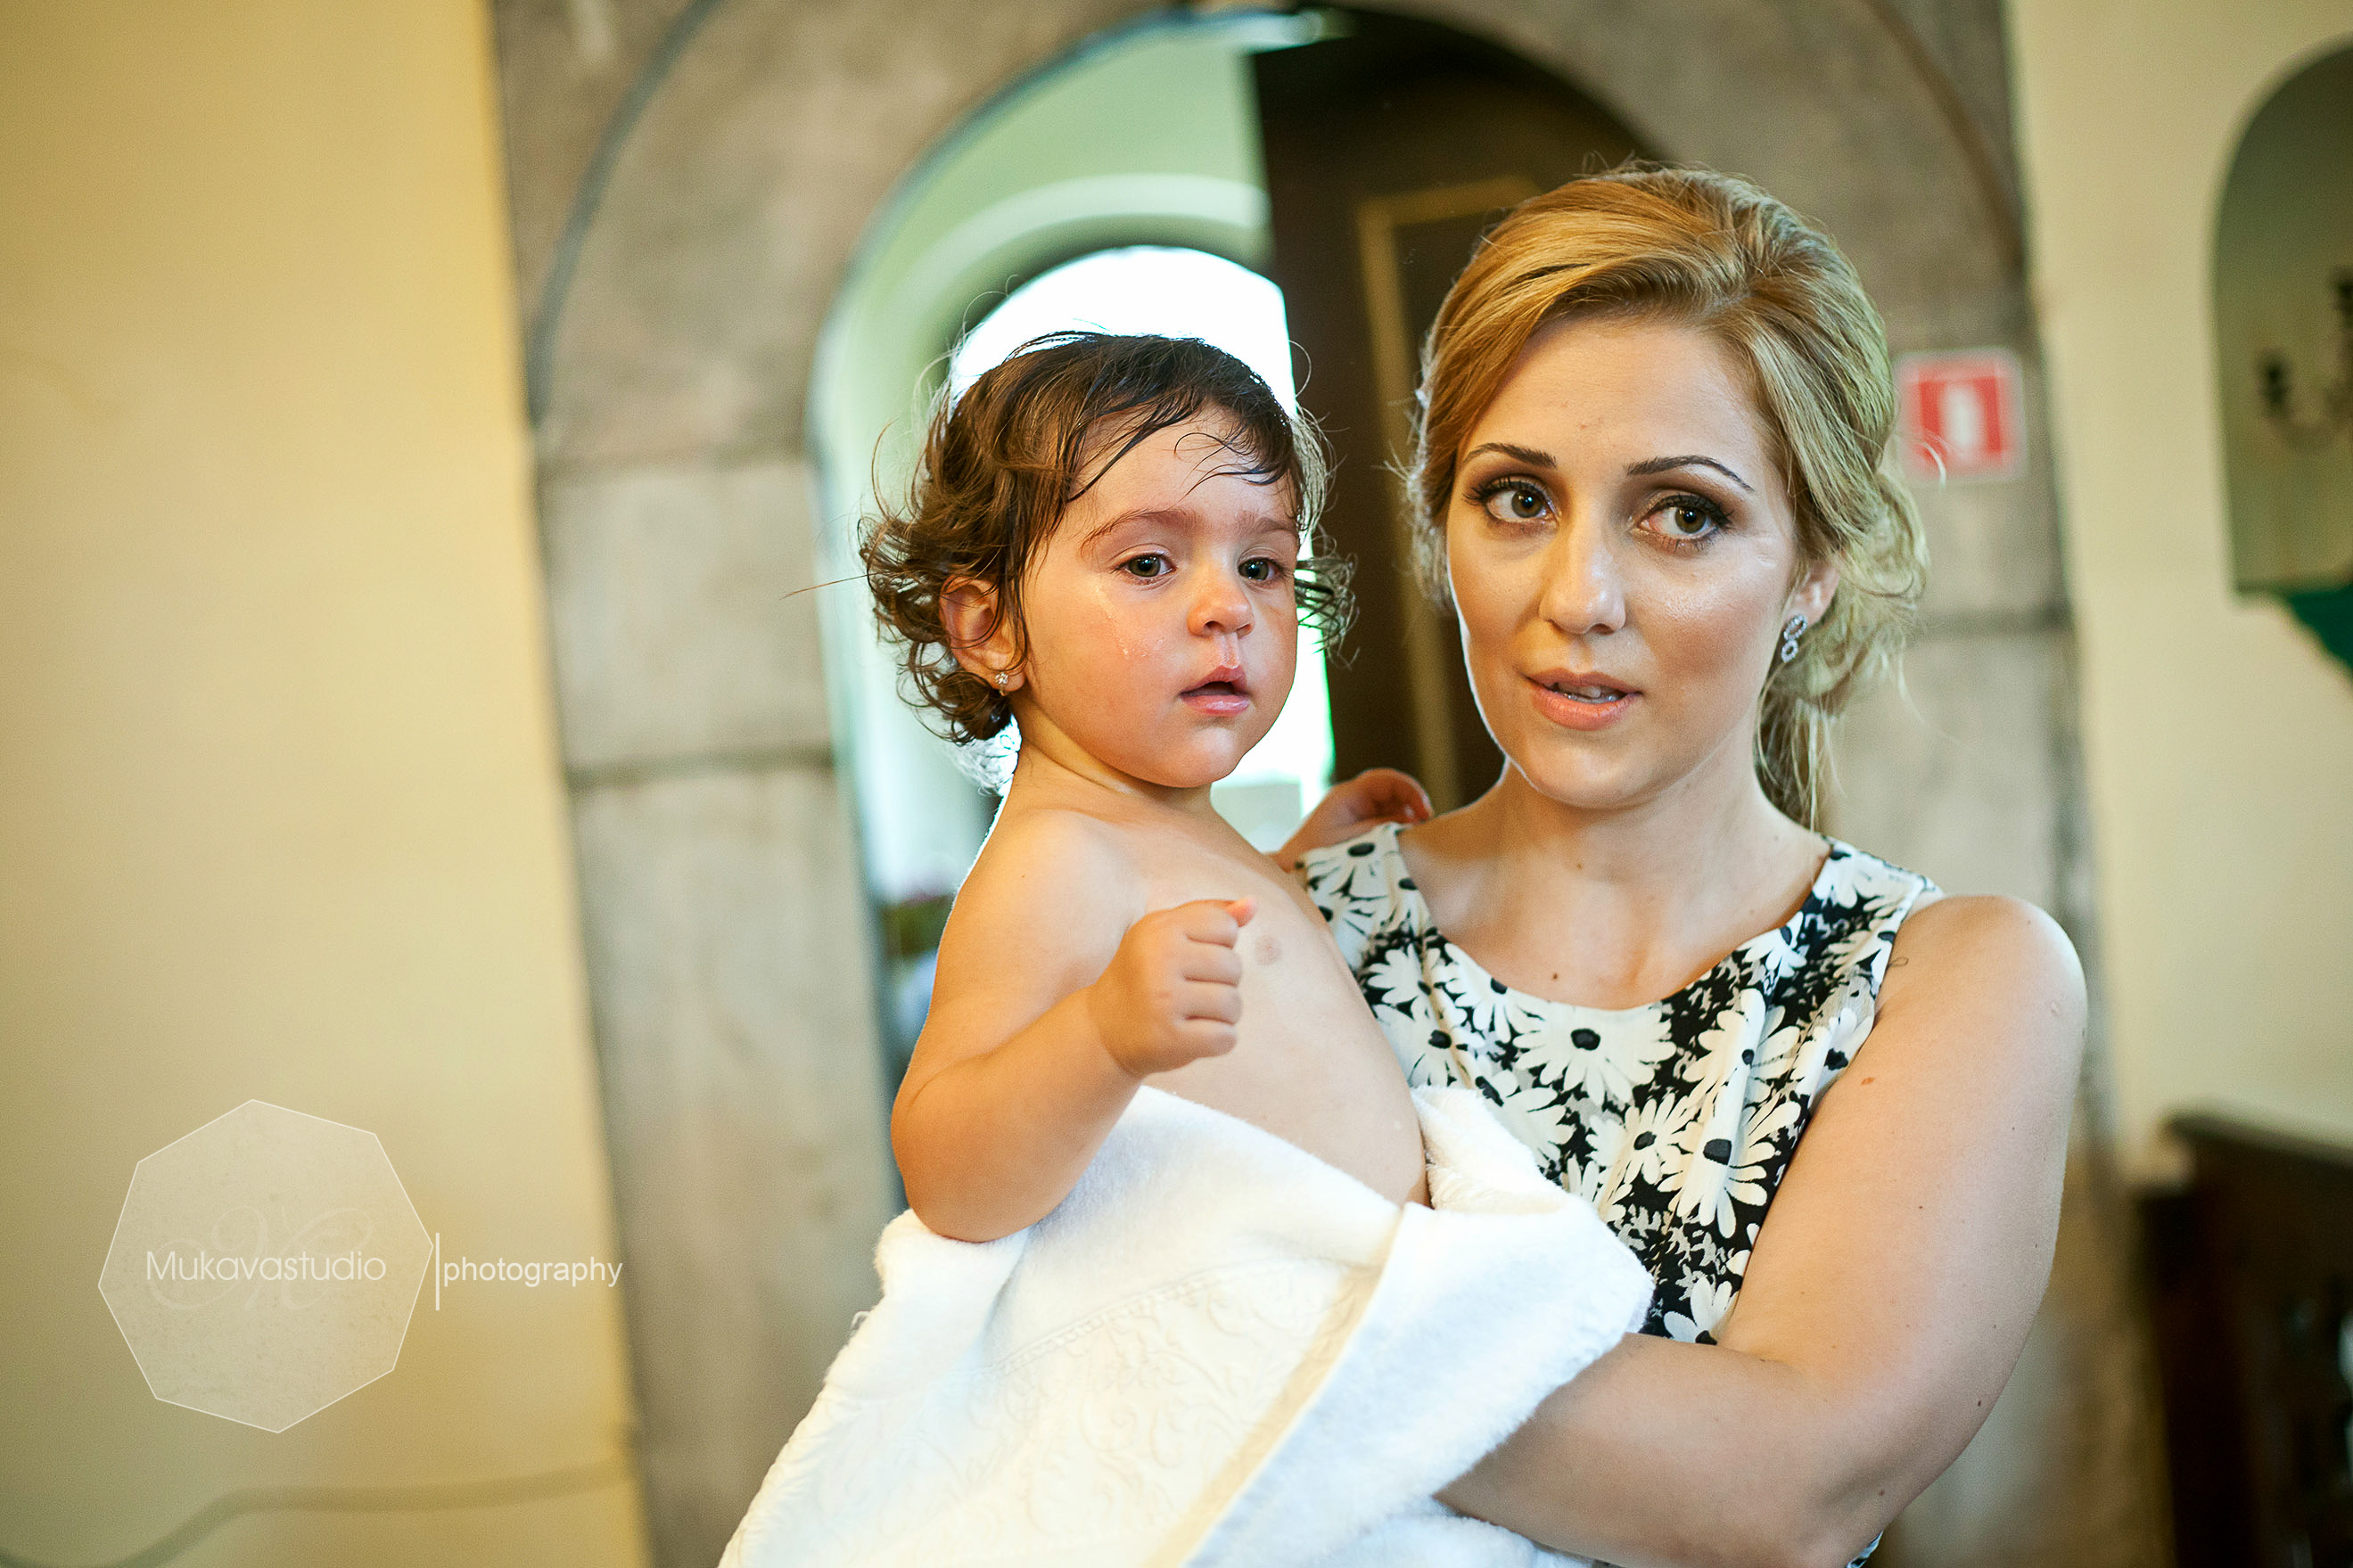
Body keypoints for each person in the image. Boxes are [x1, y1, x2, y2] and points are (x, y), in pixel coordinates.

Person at [720, 332, 1651, 1568]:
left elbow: (1242, 990)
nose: (1227, 607)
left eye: (1262, 564)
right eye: (1150, 563)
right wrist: (1101, 1035)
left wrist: (1297, 863)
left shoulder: (1175, 832)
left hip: (1366, 1364)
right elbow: (946, 1165)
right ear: (989, 628)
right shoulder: (1057, 863)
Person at [1296, 166, 2086, 1568]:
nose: (1577, 599)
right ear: (1437, 520)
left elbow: (1779, 1498)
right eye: (1517, 498)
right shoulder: (1283, 938)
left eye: (1684, 515)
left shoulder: (1946, 981)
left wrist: (1249, 1332)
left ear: (1812, 567)